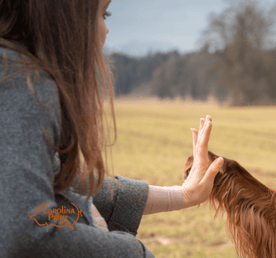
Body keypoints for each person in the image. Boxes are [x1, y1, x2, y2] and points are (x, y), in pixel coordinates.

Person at [0, 0, 223, 257]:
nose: (106, 31)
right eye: (102, 14)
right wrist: (135, 253)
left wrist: (183, 194)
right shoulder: (21, 83)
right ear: (62, 15)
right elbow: (26, 233)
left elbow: (58, 179)